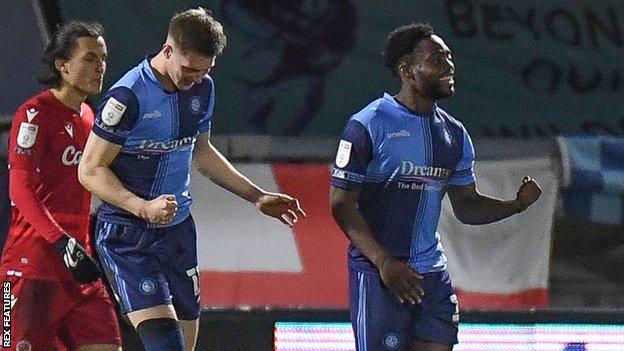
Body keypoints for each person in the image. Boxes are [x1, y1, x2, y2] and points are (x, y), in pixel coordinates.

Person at [78, 8, 306, 351]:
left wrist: (256, 196)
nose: (196, 79)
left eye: (205, 71)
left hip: (179, 233)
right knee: (166, 344)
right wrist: (141, 207)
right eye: (189, 69)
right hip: (128, 236)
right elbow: (90, 169)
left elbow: (202, 152)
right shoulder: (128, 96)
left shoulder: (202, 89)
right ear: (168, 50)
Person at [329, 23, 542, 351]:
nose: (449, 65)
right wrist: (384, 262)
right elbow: (341, 204)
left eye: (449, 57)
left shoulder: (454, 135)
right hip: (379, 274)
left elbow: (467, 207)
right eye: (437, 58)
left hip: (432, 277)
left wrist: (515, 205)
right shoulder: (368, 125)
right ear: (407, 70)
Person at [0, 21, 121, 350]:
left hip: (80, 271)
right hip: (32, 271)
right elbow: (20, 189)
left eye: (103, 58)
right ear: (62, 65)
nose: (100, 67)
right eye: (90, 59)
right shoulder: (33, 115)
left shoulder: (90, 117)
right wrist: (61, 242)